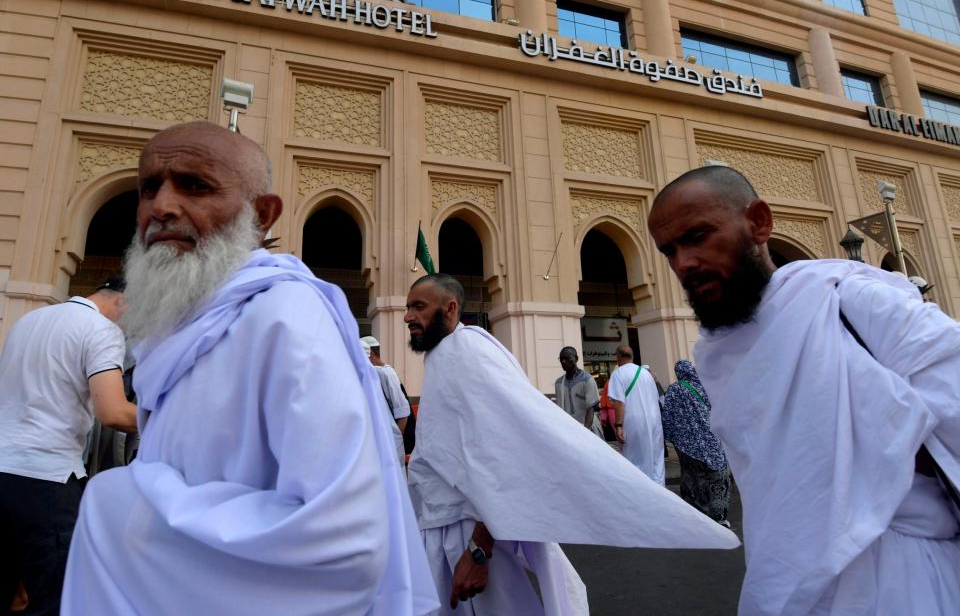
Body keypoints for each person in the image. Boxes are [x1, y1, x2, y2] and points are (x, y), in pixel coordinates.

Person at [61, 121, 438, 615]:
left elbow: (341, 542)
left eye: (195, 186)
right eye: (149, 187)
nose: (162, 206)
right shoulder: (178, 328)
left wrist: (119, 507)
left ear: (262, 215)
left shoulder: (284, 317)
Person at [648, 164, 960, 615]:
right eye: (668, 251)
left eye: (697, 236)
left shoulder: (852, 302)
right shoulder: (716, 353)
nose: (683, 263)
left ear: (758, 222)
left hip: (909, 580)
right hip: (789, 584)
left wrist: (880, 452)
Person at [403, 273, 739, 616]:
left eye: (418, 306)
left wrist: (478, 550)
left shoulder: (467, 353)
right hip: (441, 531)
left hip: (466, 538)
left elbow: (507, 452)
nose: (407, 317)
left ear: (451, 307)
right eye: (407, 307)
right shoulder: (444, 355)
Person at [0, 277, 136, 615]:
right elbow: (114, 412)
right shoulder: (103, 330)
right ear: (124, 301)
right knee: (58, 598)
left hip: (3, 468)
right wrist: (173, 417)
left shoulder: (30, 320)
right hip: (46, 479)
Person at [661, 360, 731, 526]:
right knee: (716, 478)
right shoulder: (708, 386)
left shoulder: (675, 390)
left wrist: (670, 436)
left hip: (687, 445)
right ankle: (719, 515)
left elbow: (668, 417)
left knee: (691, 478)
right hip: (712, 440)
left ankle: (696, 515)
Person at [607, 345, 665, 485]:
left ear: (618, 358)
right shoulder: (647, 374)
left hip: (633, 423)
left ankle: (642, 494)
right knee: (656, 460)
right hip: (654, 422)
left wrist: (618, 425)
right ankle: (660, 494)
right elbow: (658, 398)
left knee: (636, 460)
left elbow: (619, 402)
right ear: (632, 357)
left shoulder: (618, 374)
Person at [360, 336, 408, 464]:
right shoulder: (373, 373)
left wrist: (396, 441)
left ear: (371, 354)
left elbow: (402, 411)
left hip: (392, 441)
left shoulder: (386, 373)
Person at [554, 347, 604, 439]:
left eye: (567, 358)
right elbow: (559, 411)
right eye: (561, 359)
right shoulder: (559, 383)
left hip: (588, 430)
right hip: (568, 431)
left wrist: (585, 433)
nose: (563, 361)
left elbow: (591, 409)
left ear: (576, 358)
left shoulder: (587, 379)